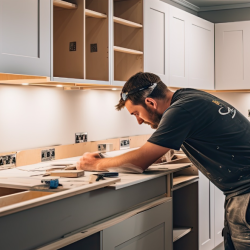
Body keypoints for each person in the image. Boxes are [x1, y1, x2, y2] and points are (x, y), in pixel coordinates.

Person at [77, 72, 250, 249]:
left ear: (151, 103)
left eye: (136, 113)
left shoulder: (180, 110)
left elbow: (140, 161)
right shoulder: (188, 97)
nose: (138, 121)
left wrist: (95, 164)